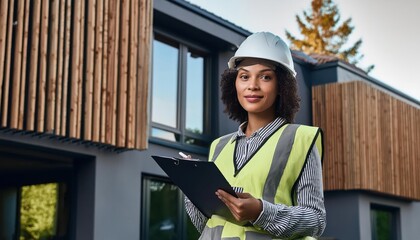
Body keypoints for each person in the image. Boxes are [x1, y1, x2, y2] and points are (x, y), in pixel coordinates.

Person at [185, 32, 326, 240]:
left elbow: (316, 221)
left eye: (265, 76)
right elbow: (208, 224)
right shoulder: (219, 146)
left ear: (281, 86)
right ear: (235, 83)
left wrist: (261, 212)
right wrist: (192, 189)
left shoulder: (300, 139)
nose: (252, 85)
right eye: (244, 76)